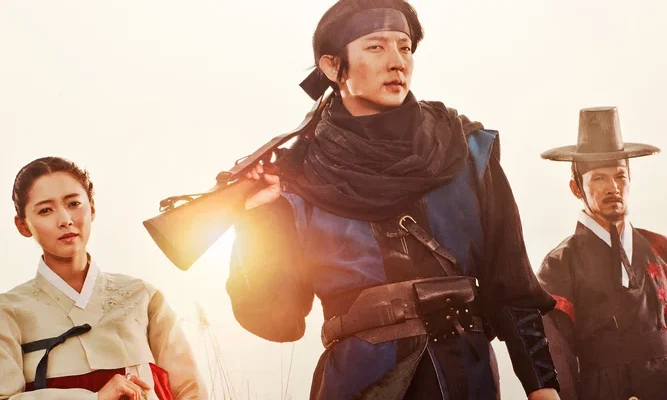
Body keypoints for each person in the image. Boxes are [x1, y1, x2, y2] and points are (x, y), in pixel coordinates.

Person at [226, 1, 561, 399]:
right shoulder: (298, 175)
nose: (397, 62)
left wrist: (542, 386)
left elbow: (512, 284)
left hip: (465, 381)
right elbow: (279, 321)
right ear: (333, 67)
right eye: (376, 47)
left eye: (404, 48)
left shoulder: (464, 150)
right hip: (358, 385)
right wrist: (257, 222)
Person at [0, 157, 208, 399]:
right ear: (23, 225)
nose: (65, 220)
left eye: (74, 203)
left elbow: (191, 390)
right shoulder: (9, 311)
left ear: (92, 208)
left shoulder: (142, 296)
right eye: (46, 210)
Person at [537, 106, 667, 400]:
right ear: (576, 188)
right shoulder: (559, 266)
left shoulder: (660, 249)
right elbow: (556, 357)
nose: (613, 188)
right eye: (598, 178)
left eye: (620, 176)